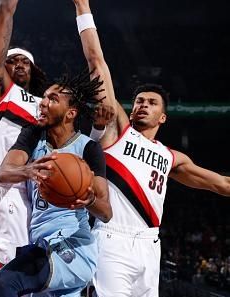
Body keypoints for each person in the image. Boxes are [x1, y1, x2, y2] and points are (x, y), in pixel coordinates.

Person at [71, 1, 230, 296]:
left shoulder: (172, 157)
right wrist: (83, 7)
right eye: (140, 101)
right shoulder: (118, 131)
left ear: (163, 117)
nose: (143, 105)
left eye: (152, 102)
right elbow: (96, 62)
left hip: (150, 244)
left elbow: (221, 184)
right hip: (111, 240)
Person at [0, 71, 112, 296]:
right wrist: (28, 170)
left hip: (73, 246)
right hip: (42, 245)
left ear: (70, 113)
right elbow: (4, 173)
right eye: (44, 97)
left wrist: (89, 199)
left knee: (3, 283)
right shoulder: (33, 135)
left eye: (53, 99)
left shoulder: (88, 149)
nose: (43, 103)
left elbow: (106, 212)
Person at [0, 0, 47, 284]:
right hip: (11, 190)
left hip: (44, 199)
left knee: (35, 281)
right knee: (10, 274)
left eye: (24, 61)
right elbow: (2, 16)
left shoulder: (44, 104)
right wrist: (6, 7)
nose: (18, 64)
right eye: (11, 60)